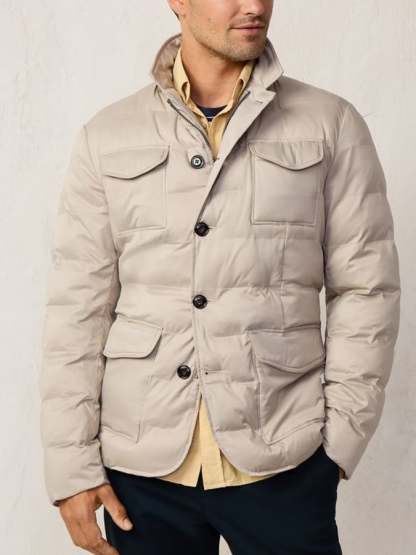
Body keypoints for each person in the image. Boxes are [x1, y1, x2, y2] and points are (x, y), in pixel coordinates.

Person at [38, 1, 401, 553]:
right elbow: (77, 308)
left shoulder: (330, 124)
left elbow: (366, 289)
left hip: (285, 455)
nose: (254, 5)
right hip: (142, 468)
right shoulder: (107, 135)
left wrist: (339, 444)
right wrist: (72, 466)